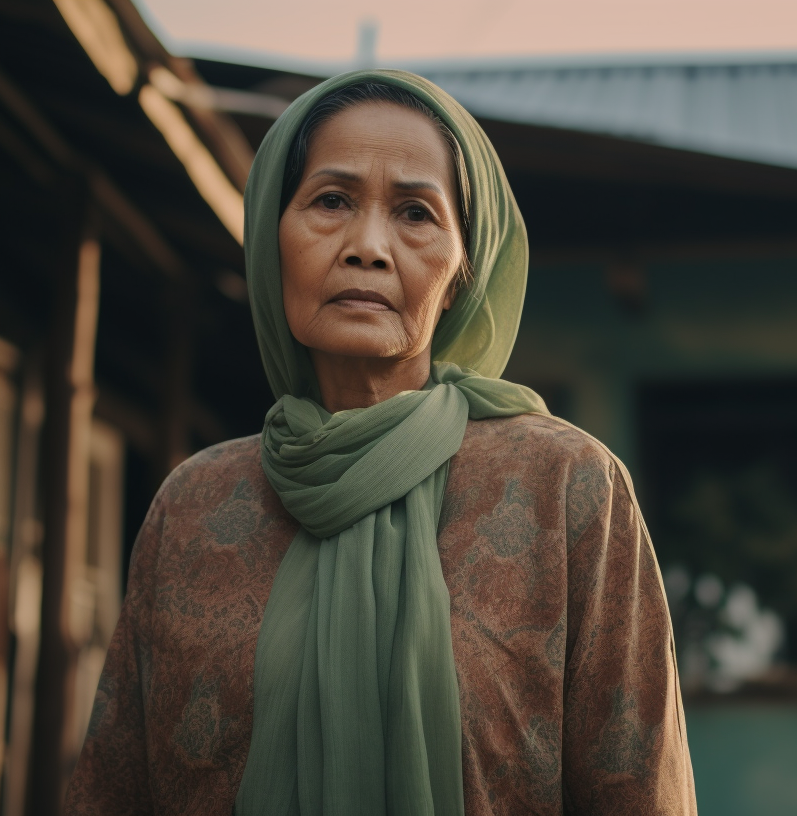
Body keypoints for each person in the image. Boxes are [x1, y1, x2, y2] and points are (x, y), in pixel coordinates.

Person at [64, 69, 696, 815]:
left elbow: (637, 791)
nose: (368, 246)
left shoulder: (568, 489)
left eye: (416, 214)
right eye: (331, 201)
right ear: (274, 234)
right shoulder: (193, 507)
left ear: (465, 271)